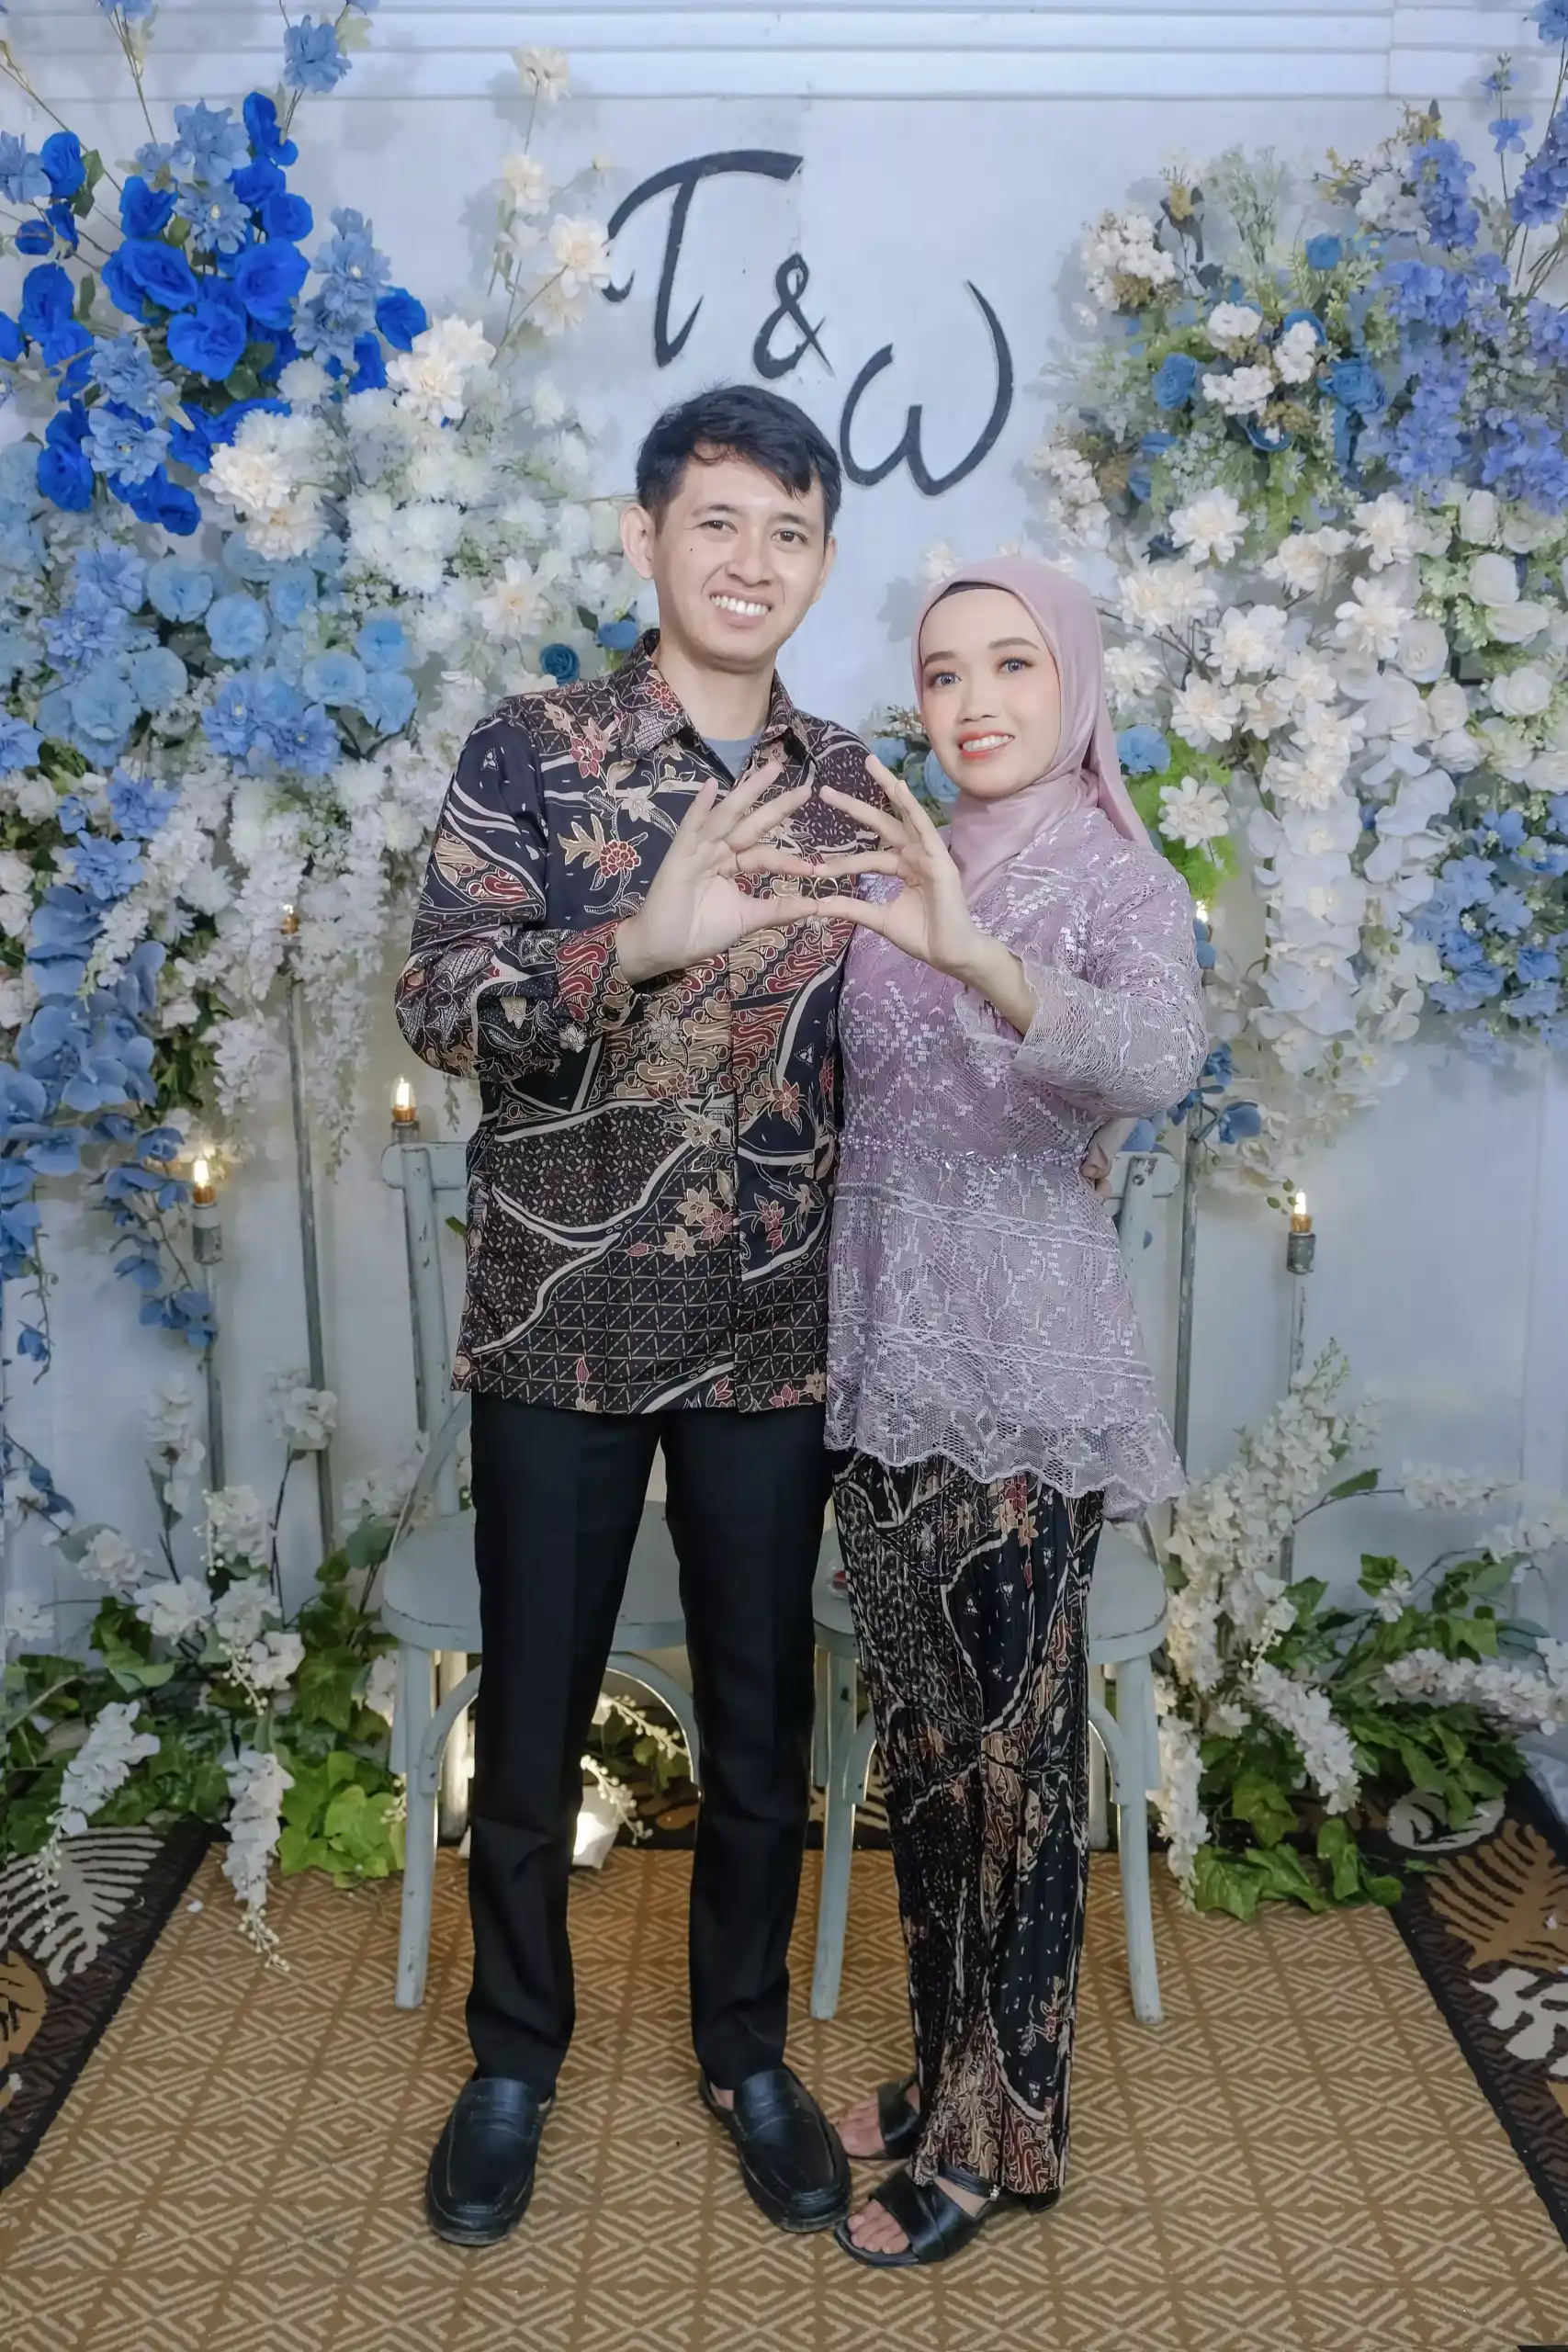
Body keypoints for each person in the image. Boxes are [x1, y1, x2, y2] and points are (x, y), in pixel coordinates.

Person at [394, 385, 883, 2247]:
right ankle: (512, 2057)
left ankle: (745, 2052)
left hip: (772, 1318)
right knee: (529, 1721)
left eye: (789, 530)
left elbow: (890, 1034)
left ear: (819, 560)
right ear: (645, 536)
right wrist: (640, 945)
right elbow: (439, 999)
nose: (752, 560)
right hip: (561, 1312)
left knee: (761, 1725)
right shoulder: (530, 751)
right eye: (720, 521)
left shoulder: (850, 780)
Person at [806, 556, 1207, 2267]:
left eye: (1012, 665)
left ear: (1076, 683)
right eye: (943, 671)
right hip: (879, 1350)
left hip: (1025, 1370)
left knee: (1013, 1764)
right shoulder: (896, 848)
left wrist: (982, 961)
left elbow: (1155, 1060)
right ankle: (943, 2070)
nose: (973, 702)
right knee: (923, 1752)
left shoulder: (1118, 874)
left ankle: (995, 2135)